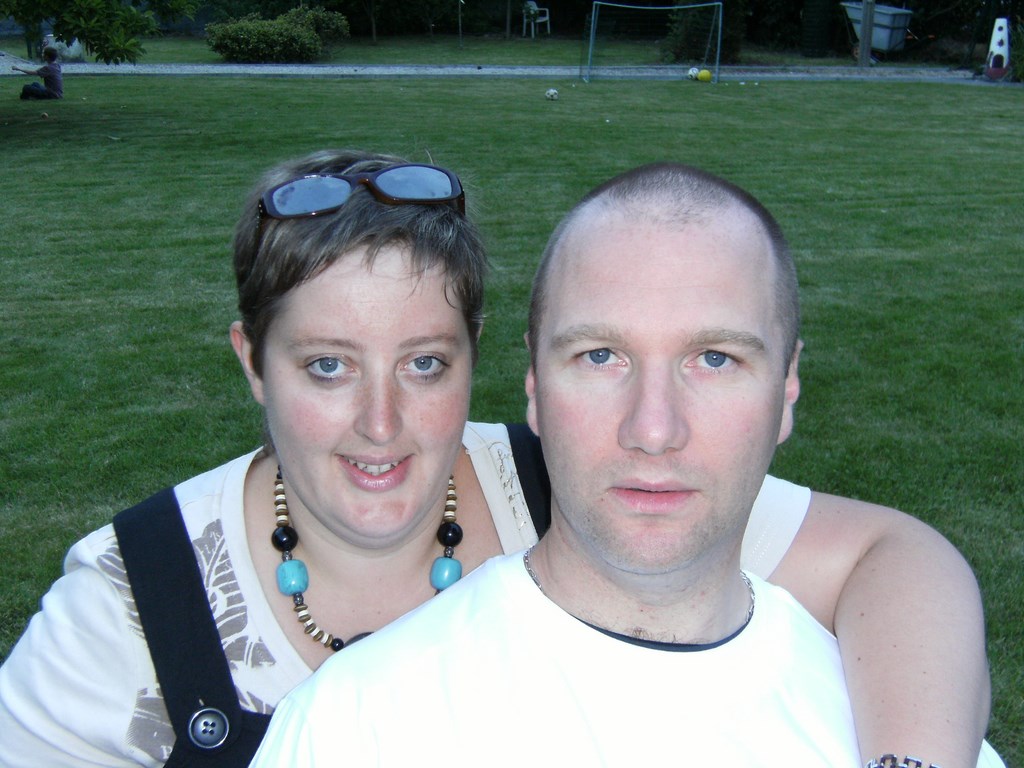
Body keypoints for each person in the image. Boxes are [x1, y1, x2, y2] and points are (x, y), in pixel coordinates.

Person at [0, 152, 993, 767]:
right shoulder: (128, 608)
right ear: (253, 363)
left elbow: (894, 559)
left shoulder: (580, 484)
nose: (380, 424)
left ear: (485, 366)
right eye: (328, 366)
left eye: (425, 364)